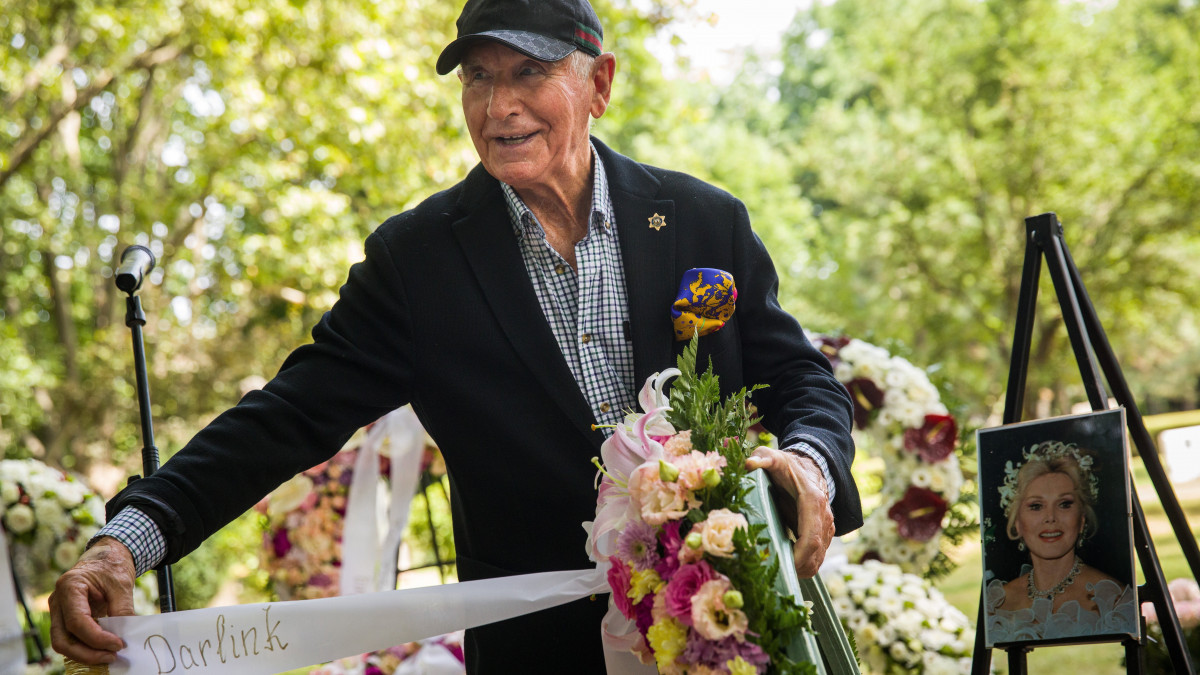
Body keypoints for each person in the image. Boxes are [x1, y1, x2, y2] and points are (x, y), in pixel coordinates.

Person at [49, 0, 863, 671]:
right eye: (478, 77)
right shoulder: (416, 260)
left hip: (724, 630)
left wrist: (809, 464)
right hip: (538, 653)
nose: (498, 105)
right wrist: (127, 541)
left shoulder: (701, 220)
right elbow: (285, 418)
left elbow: (804, 384)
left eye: (529, 73)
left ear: (600, 84)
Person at [985, 440, 1137, 643]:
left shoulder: (1113, 601)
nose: (1050, 517)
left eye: (1064, 504)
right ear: (1018, 523)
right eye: (1036, 506)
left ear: (1082, 520)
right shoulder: (997, 602)